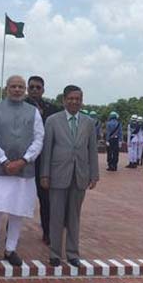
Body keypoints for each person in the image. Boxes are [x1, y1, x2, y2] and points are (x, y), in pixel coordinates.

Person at [0, 75, 44, 266]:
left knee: (18, 210)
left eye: (20, 87)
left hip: (23, 170)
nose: (17, 90)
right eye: (13, 86)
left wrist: (24, 160)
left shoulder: (33, 112)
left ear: (24, 90)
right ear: (7, 88)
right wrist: (4, 160)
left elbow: (39, 139)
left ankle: (10, 249)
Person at [40, 85, 99, 267]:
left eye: (78, 99)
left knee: (74, 216)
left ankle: (73, 253)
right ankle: (55, 253)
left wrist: (94, 174)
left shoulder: (89, 123)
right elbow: (47, 149)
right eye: (71, 98)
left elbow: (92, 150)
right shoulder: (52, 121)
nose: (74, 102)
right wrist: (45, 174)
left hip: (79, 174)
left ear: (82, 101)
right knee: (56, 215)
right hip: (58, 174)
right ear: (64, 100)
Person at [25, 75, 61, 244]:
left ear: (43, 90)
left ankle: (48, 232)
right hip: (24, 160)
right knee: (18, 196)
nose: (34, 90)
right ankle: (12, 233)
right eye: (31, 87)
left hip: (44, 161)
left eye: (37, 88)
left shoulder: (53, 110)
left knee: (46, 199)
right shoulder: (20, 106)